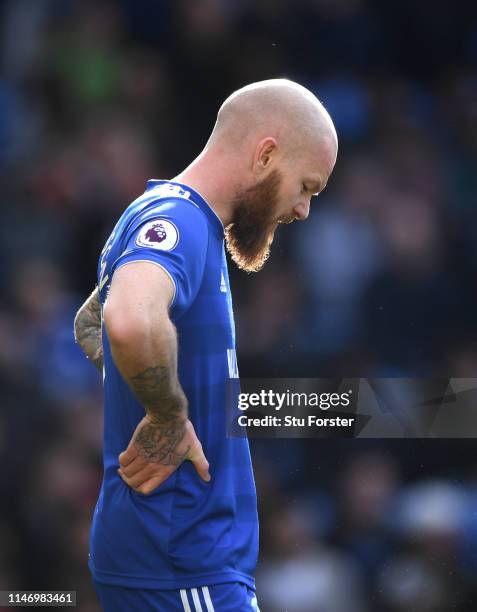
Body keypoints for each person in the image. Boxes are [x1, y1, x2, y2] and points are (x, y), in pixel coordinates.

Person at [74, 78, 337, 612]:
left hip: (174, 556)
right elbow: (126, 319)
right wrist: (167, 414)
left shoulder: (174, 218)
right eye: (306, 186)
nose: (303, 209)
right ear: (266, 155)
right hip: (182, 561)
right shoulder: (181, 222)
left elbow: (97, 322)